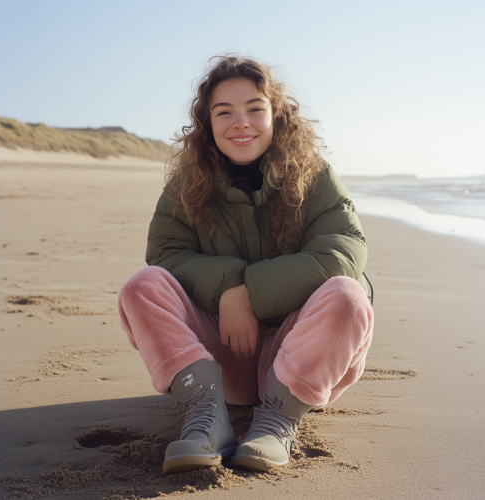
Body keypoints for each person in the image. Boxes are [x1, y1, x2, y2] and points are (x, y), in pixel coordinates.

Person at [118, 55, 374, 475]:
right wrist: (228, 289)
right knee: (142, 287)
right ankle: (205, 414)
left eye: (255, 108)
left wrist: (249, 293)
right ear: (207, 123)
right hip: (220, 361)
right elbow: (166, 256)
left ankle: (278, 420)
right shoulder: (186, 185)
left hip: (301, 362)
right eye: (225, 112)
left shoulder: (315, 176)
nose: (241, 122)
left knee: (349, 294)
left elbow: (342, 253)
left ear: (276, 115)